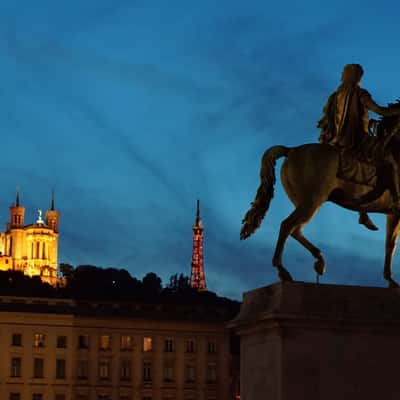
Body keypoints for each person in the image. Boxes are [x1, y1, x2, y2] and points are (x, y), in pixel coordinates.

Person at [318, 64, 400, 229]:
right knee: (391, 159)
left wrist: (367, 121)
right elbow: (380, 110)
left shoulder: (335, 95)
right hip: (357, 139)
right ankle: (397, 200)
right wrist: (396, 112)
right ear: (357, 77)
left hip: (336, 139)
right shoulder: (361, 94)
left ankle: (363, 211)